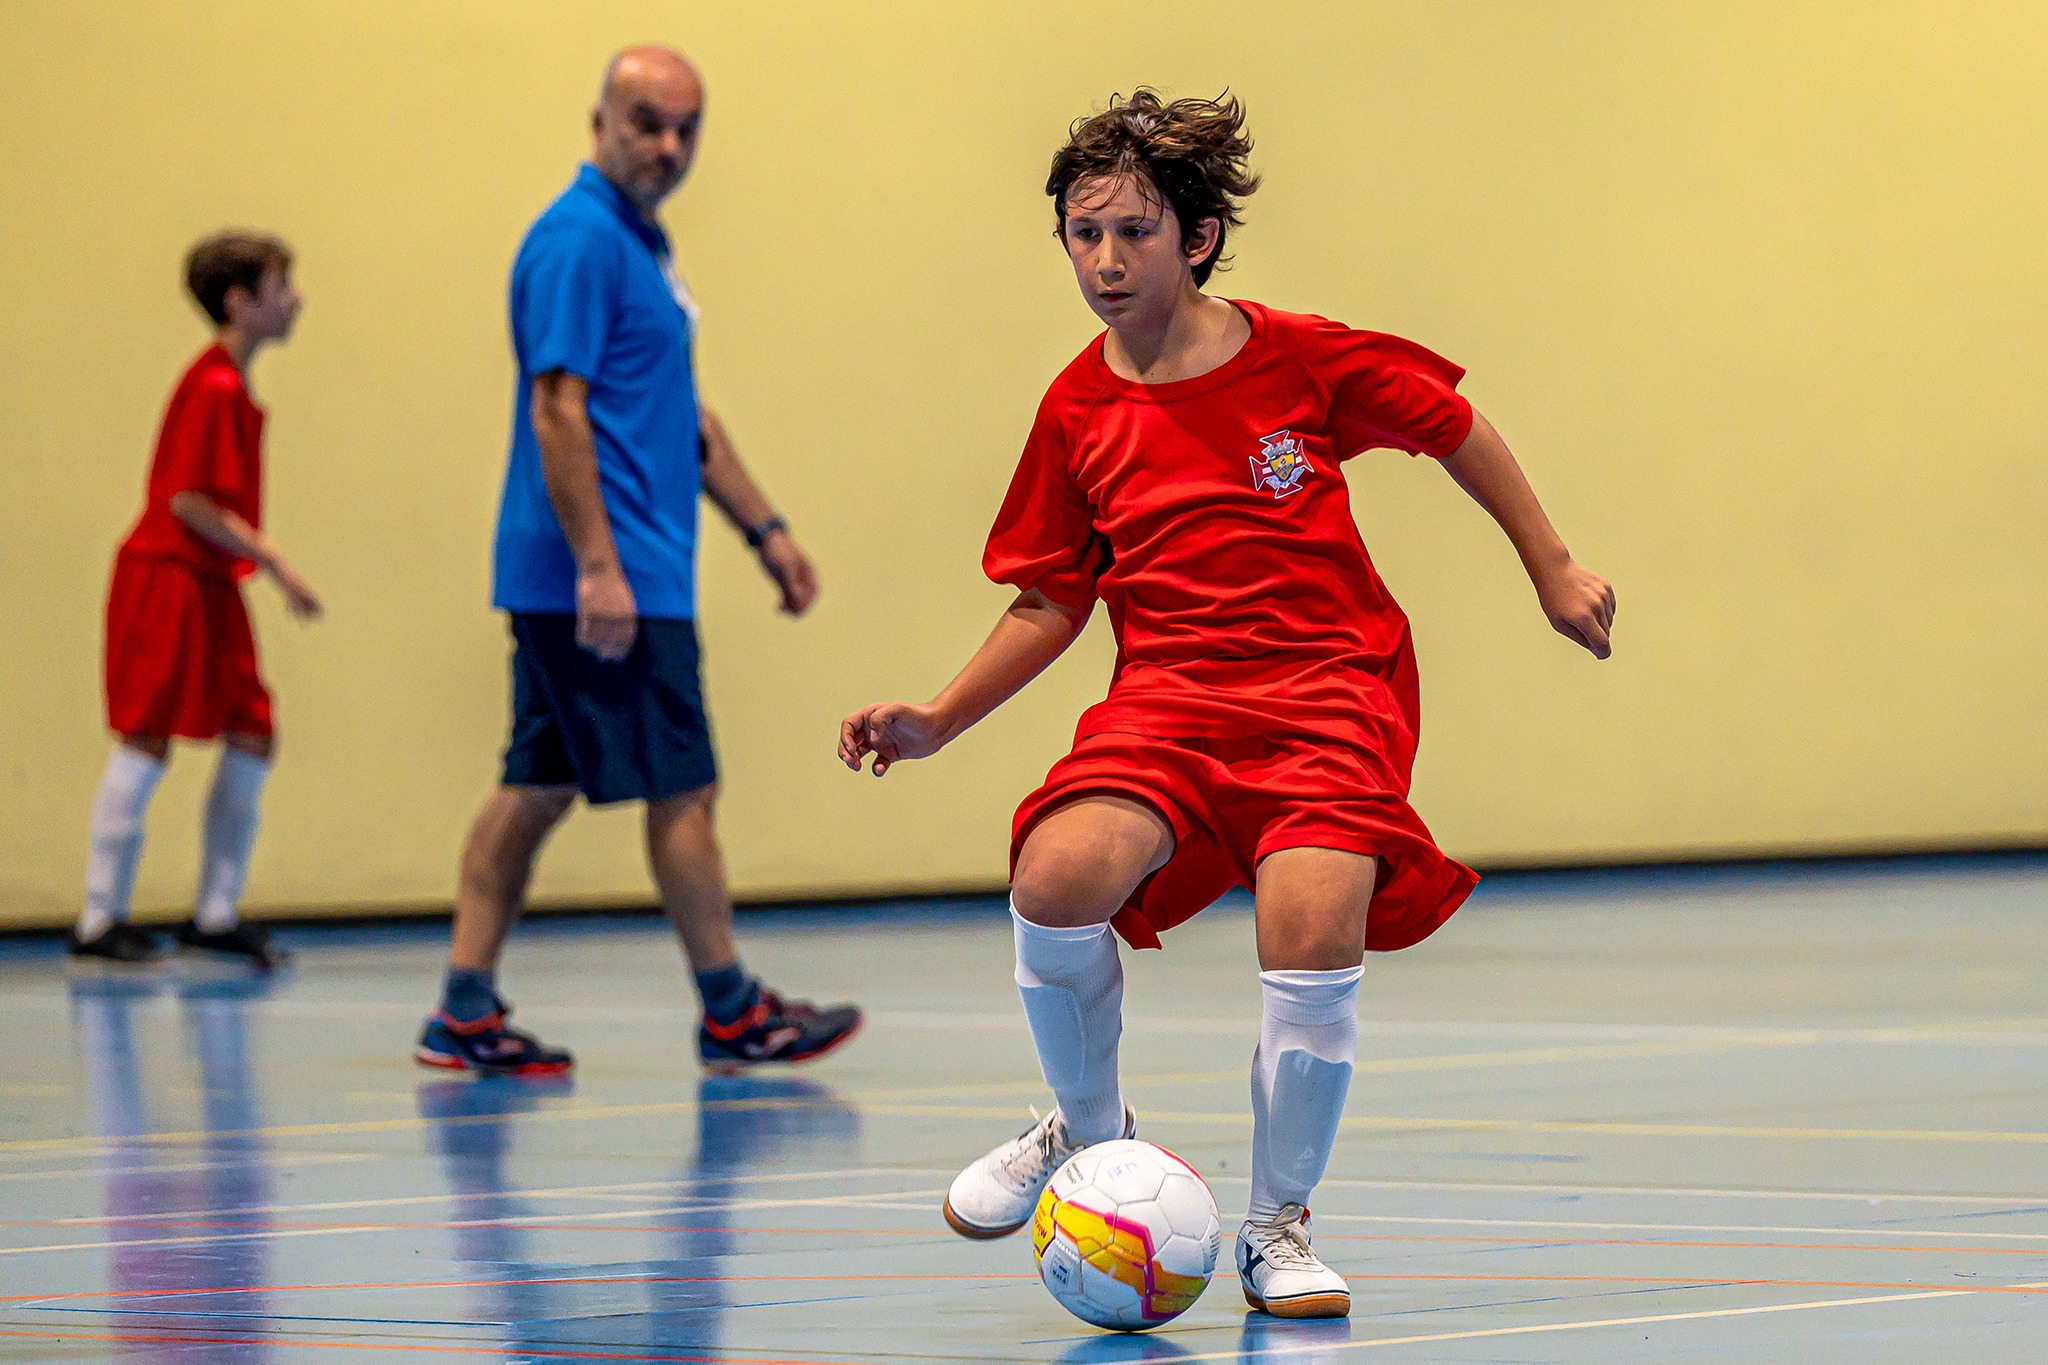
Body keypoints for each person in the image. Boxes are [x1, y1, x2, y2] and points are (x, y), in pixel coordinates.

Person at [839, 90, 1615, 1319]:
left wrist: (1549, 566)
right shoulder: (1074, 410)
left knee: (1309, 926)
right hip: (1167, 700)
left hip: (1324, 696)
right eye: (1081, 233)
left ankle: (1276, 1230)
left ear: (1194, 238)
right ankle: (1089, 1142)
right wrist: (935, 718)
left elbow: (1453, 424)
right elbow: (1048, 599)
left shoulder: (1298, 356)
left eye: (1132, 232)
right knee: (1052, 882)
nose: (1103, 260)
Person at [415, 46, 861, 1076]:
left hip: (603, 570)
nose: (666, 145)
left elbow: (676, 420)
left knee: (534, 785)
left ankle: (464, 1009)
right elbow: (555, 407)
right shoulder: (577, 242)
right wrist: (599, 569)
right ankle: (731, 1010)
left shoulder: (636, 244)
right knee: (683, 791)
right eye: (645, 122)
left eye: (684, 128)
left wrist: (766, 531)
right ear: (599, 122)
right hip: (612, 576)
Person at [73, 232, 320, 970]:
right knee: (146, 734)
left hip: (207, 582)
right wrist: (272, 559)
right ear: (241, 303)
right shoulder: (211, 388)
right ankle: (96, 918)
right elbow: (187, 499)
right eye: (282, 288)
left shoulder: (229, 386)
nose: (295, 301)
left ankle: (214, 913)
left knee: (252, 726)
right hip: (168, 579)